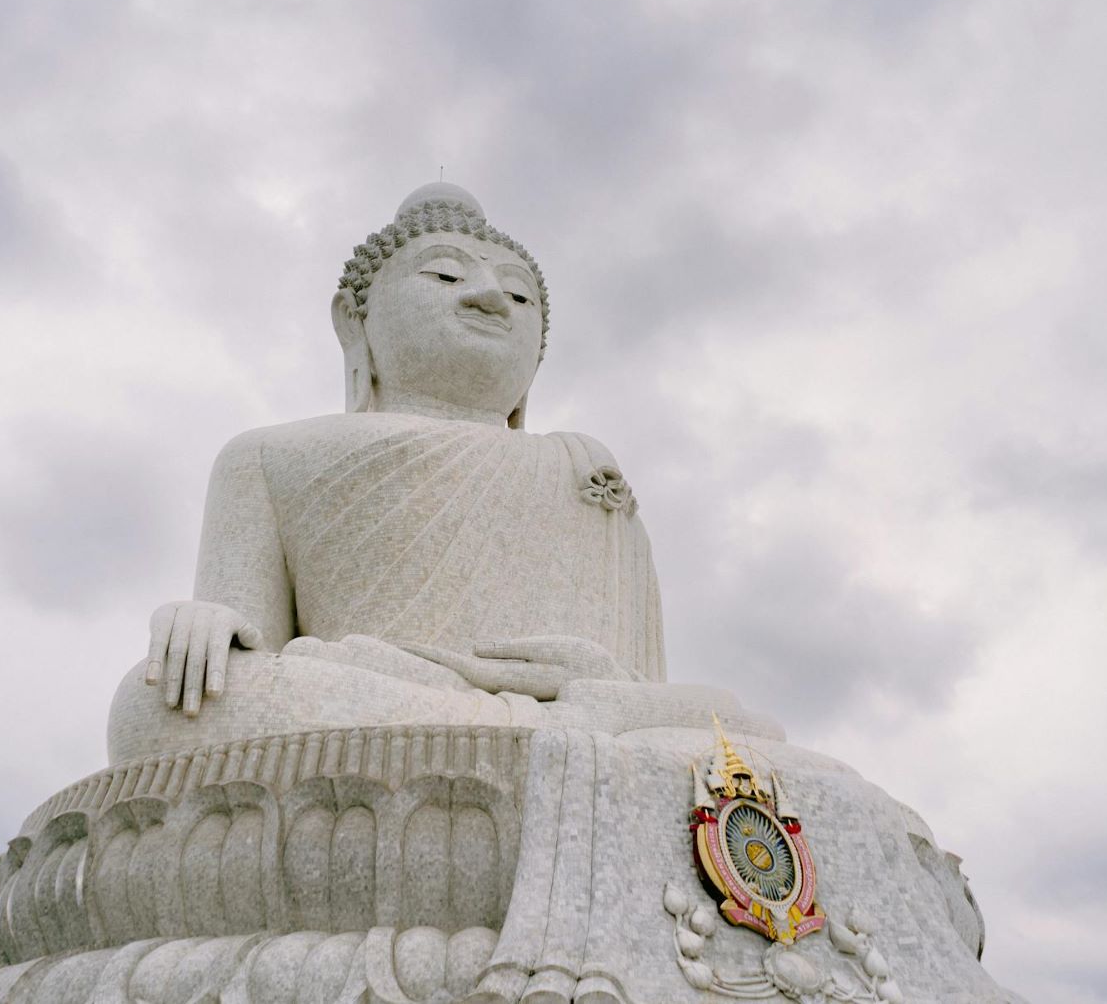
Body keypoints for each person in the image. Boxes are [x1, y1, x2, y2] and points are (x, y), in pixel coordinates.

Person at [109, 185, 765, 763]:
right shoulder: (264, 456)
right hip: (382, 702)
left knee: (741, 729)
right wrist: (206, 626)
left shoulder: (581, 461)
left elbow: (647, 695)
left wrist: (605, 688)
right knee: (157, 703)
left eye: (517, 293)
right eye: (446, 277)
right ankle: (536, 745)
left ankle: (535, 742)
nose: (487, 296)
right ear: (354, 321)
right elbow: (246, 654)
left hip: (575, 720)